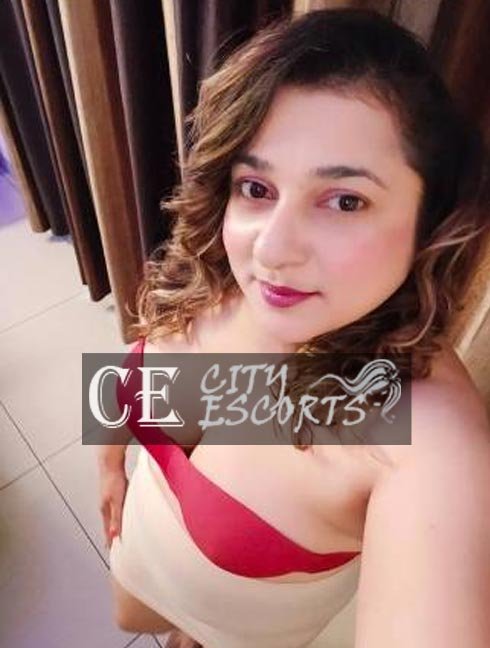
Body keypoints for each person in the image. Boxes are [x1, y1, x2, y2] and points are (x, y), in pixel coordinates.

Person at [97, 8, 490, 648]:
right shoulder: (211, 268)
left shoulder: (424, 436)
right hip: (139, 556)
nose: (272, 249)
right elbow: (135, 361)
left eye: (345, 200)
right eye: (256, 187)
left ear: (431, 222)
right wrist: (111, 462)